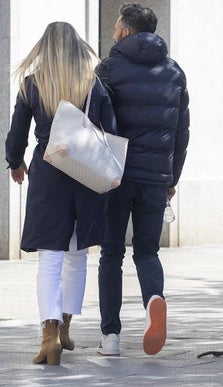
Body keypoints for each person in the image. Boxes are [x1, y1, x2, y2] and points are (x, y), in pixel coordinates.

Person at [4, 22, 118, 366]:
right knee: (77, 255)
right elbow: (110, 131)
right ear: (76, 47)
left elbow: (16, 132)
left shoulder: (33, 83)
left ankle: (49, 337)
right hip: (85, 173)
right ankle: (66, 325)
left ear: (46, 48)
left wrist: (15, 163)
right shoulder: (93, 83)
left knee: (49, 260)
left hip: (49, 173)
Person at [95, 3, 190, 356]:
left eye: (117, 26)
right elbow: (182, 133)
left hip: (115, 176)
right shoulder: (174, 72)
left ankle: (111, 337)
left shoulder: (108, 69)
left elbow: (94, 122)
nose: (114, 31)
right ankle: (154, 299)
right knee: (147, 250)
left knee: (111, 254)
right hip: (155, 178)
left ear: (126, 31)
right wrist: (171, 178)